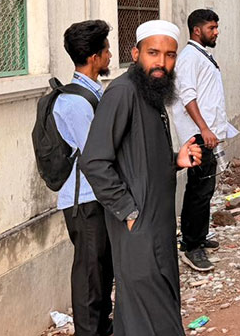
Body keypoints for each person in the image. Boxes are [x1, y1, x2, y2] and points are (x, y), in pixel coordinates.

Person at [80, 20, 203, 336]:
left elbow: (139, 158)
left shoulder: (151, 92)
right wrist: (128, 211)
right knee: (150, 313)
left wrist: (175, 160)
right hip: (138, 227)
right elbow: (94, 161)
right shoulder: (122, 92)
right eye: (153, 53)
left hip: (157, 225)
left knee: (142, 312)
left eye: (169, 55)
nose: (161, 62)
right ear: (136, 54)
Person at [56, 20, 114, 336]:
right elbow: (96, 155)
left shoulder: (92, 94)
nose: (110, 56)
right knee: (89, 274)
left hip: (96, 197)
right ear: (94, 58)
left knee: (103, 270)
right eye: (106, 51)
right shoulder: (76, 103)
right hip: (84, 201)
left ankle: (102, 327)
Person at [171, 9, 238, 272]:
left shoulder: (202, 54)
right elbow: (187, 96)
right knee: (199, 191)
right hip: (199, 135)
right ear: (197, 30)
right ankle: (191, 246)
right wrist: (204, 128)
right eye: (212, 28)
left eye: (216, 27)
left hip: (206, 133)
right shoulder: (189, 58)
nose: (216, 32)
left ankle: (197, 236)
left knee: (204, 189)